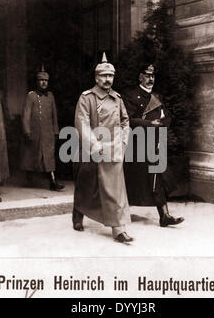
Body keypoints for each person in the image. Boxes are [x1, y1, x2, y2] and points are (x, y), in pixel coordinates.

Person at [72, 52, 133, 243]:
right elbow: (82, 123)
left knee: (114, 189)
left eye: (111, 76)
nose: (108, 80)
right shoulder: (86, 98)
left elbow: (125, 121)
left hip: (114, 149)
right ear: (96, 77)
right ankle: (78, 212)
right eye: (104, 76)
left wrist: (123, 141)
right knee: (87, 185)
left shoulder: (117, 98)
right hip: (93, 148)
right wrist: (95, 146)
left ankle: (118, 229)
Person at [122, 64, 184, 227]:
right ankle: (119, 214)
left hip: (155, 144)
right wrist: (150, 123)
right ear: (140, 77)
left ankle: (165, 215)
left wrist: (162, 126)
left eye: (153, 76)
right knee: (132, 180)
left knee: (159, 177)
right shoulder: (130, 96)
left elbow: (167, 117)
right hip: (137, 145)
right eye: (147, 75)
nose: (151, 79)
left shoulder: (157, 97)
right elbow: (127, 119)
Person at [21, 65, 64, 191]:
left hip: (48, 133)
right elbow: (26, 114)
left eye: (46, 81)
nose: (44, 83)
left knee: (49, 156)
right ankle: (29, 177)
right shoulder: (31, 95)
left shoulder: (50, 96)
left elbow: (54, 115)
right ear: (37, 82)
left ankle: (53, 181)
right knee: (32, 155)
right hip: (34, 132)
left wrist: (56, 131)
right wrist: (26, 130)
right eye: (41, 80)